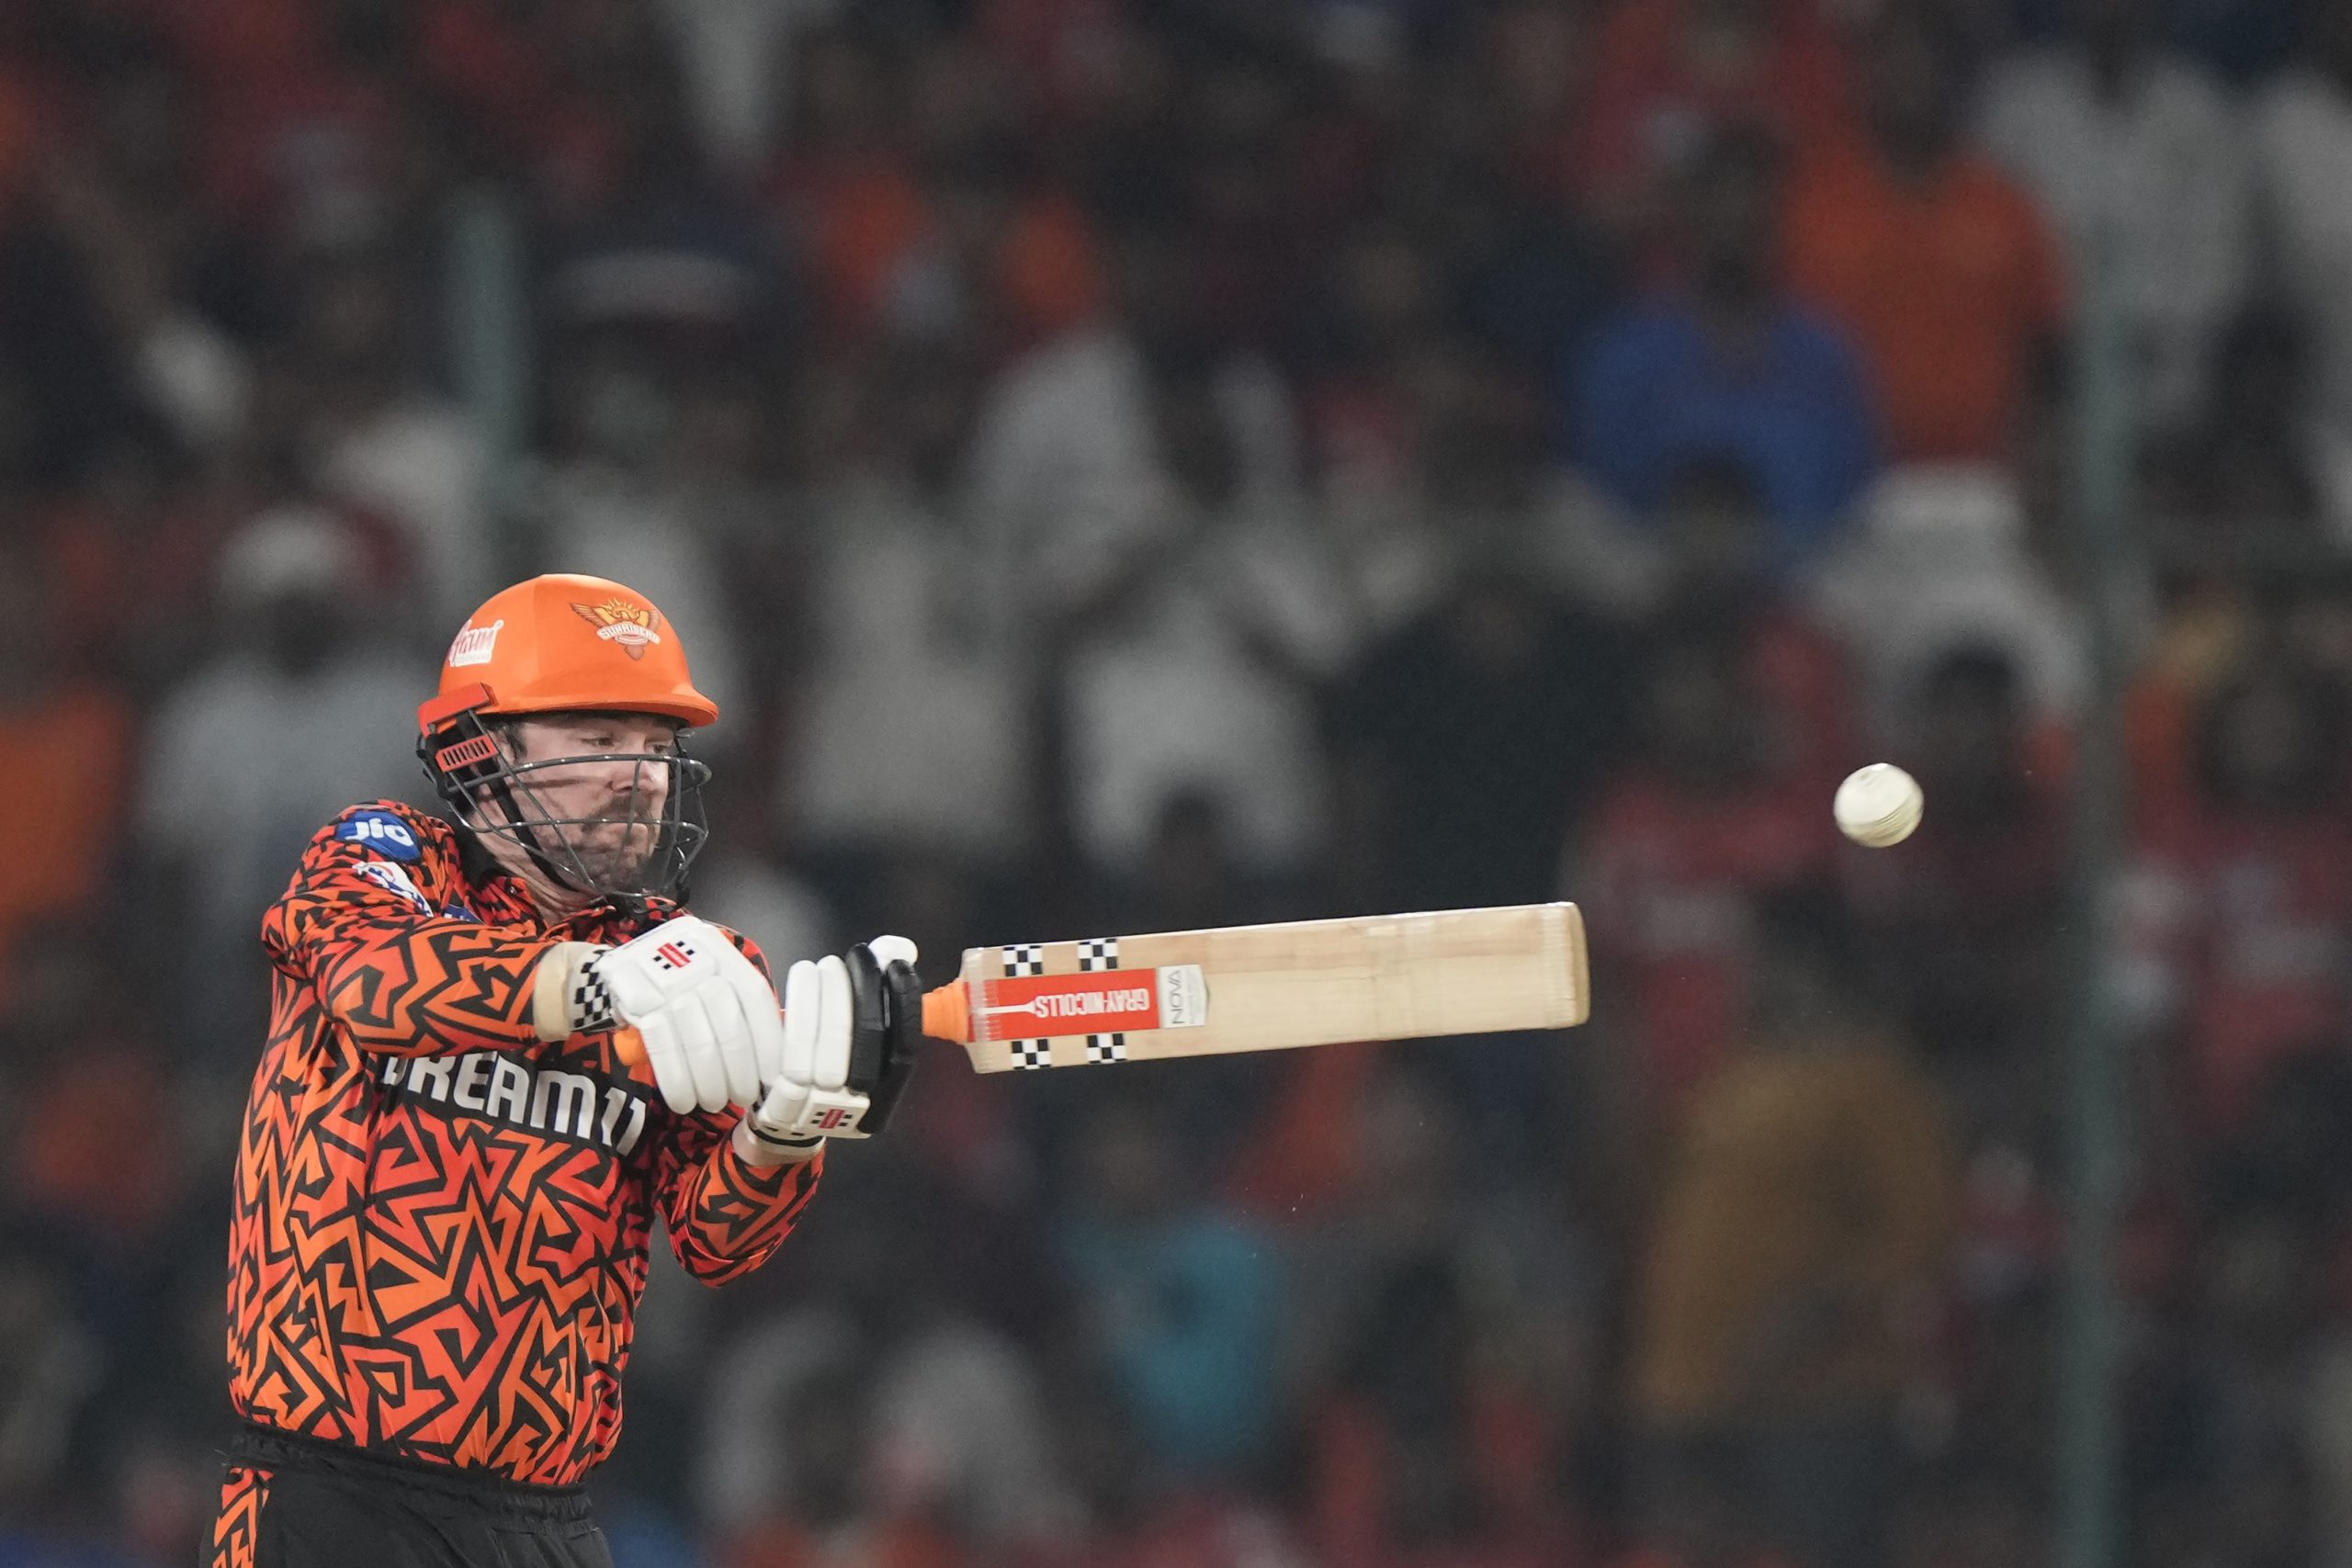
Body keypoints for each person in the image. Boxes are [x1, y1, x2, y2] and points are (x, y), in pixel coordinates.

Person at [206, 573, 924, 1568]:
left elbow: (720, 1242)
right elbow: (377, 987)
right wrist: (605, 986)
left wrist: (788, 1128)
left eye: (655, 746)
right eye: (596, 741)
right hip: (330, 1498)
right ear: (482, 754)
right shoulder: (383, 857)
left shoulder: (690, 959)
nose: (639, 776)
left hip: (548, 1523)